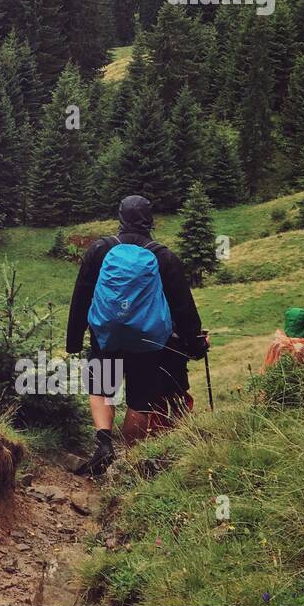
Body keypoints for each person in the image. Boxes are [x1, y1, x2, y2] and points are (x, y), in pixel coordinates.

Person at [66, 195, 204, 476]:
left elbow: (81, 296)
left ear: (120, 218)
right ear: (150, 221)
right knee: (140, 400)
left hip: (106, 336)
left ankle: (104, 443)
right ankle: (131, 460)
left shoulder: (99, 250)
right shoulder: (163, 256)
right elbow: (183, 306)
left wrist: (73, 339)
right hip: (149, 344)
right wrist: (195, 343)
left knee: (102, 388)